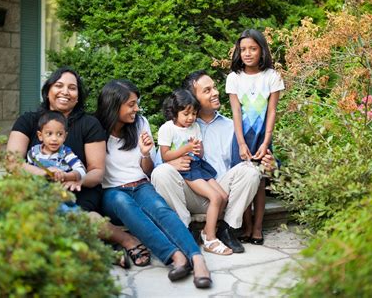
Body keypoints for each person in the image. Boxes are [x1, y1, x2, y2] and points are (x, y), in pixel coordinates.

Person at [6, 66, 149, 268]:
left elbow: (97, 172)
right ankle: (102, 253)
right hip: (36, 189)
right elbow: (12, 163)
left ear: (78, 96)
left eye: (72, 88)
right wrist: (48, 175)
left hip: (79, 190)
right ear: (48, 91)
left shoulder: (89, 124)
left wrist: (72, 179)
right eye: (59, 85)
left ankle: (126, 240)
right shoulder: (28, 121)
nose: (65, 91)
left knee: (65, 214)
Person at [96, 79, 212, 288]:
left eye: (136, 103)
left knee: (161, 209)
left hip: (141, 183)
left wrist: (144, 153)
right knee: (125, 204)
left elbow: (147, 169)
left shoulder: (140, 123)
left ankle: (197, 259)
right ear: (114, 105)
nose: (137, 109)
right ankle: (176, 257)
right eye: (131, 104)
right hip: (112, 192)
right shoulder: (96, 129)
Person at [152, 70, 276, 253]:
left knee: (251, 170)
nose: (216, 93)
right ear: (192, 98)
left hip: (222, 192)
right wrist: (170, 164)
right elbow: (157, 165)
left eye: (215, 87)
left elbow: (251, 159)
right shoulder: (178, 127)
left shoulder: (232, 126)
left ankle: (227, 230)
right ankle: (183, 229)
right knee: (161, 172)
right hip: (190, 192)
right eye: (207, 90)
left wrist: (270, 164)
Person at [226, 29, 284, 244]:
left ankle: (258, 228)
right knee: (243, 181)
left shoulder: (272, 77)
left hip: (262, 137)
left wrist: (267, 141)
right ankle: (246, 225)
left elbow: (272, 111)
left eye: (252, 48)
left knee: (259, 182)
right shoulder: (234, 78)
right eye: (243, 49)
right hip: (241, 139)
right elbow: (235, 112)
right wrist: (241, 143)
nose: (247, 53)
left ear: (262, 50)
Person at [158, 89, 232, 255]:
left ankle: (206, 231)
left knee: (224, 197)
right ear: (174, 112)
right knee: (215, 197)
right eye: (186, 114)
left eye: (193, 113)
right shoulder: (167, 129)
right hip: (187, 170)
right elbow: (165, 156)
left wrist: (197, 149)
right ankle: (211, 239)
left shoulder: (195, 126)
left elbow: (200, 153)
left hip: (199, 166)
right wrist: (186, 148)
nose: (190, 118)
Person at [27, 110, 87, 183]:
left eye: (59, 134)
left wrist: (66, 176)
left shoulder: (66, 153)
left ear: (65, 136)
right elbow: (27, 171)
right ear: (40, 135)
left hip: (60, 190)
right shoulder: (33, 153)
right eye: (49, 133)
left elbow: (82, 170)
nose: (54, 139)